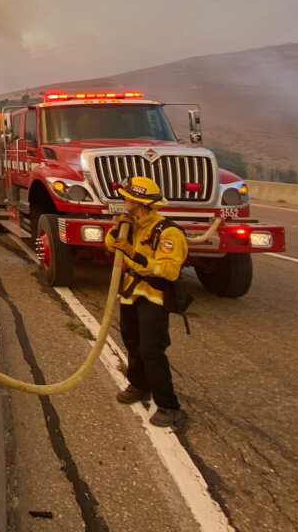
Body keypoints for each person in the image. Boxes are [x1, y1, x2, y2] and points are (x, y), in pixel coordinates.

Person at [105, 176, 189, 427]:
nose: (125, 203)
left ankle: (169, 406)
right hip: (131, 294)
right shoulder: (133, 225)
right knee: (132, 342)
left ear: (141, 204)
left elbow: (170, 270)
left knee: (151, 350)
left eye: (128, 200)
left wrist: (134, 255)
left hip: (153, 298)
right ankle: (139, 385)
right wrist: (117, 228)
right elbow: (111, 244)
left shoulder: (168, 232)